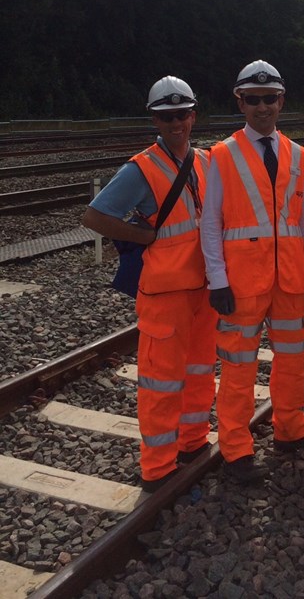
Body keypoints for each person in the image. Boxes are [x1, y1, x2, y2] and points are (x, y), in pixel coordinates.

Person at [200, 59, 304, 484]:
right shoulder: (221, 155)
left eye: (270, 99)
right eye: (254, 99)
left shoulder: (298, 154)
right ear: (240, 102)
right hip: (241, 282)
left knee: (292, 356)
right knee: (239, 366)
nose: (263, 107)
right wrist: (217, 278)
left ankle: (291, 427)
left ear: (282, 101)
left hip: (289, 278)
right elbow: (211, 222)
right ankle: (236, 448)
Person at [82, 76, 216, 493]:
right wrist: (144, 236)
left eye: (182, 114)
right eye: (166, 116)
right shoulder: (140, 168)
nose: (175, 122)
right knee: (161, 382)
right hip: (165, 293)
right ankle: (157, 465)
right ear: (155, 120)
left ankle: (192, 443)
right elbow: (94, 216)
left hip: (205, 290)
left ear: (193, 115)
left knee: (197, 374)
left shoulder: (206, 161)